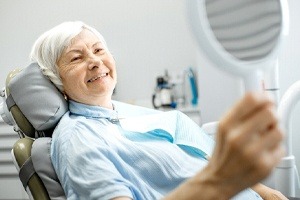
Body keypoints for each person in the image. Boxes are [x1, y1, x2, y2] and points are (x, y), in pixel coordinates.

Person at [30, 21, 287, 200]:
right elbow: (220, 171)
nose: (95, 62)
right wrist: (221, 178)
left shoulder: (123, 114)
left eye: (98, 50)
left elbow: (206, 159)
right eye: (77, 58)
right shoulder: (78, 138)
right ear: (57, 81)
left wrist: (268, 193)